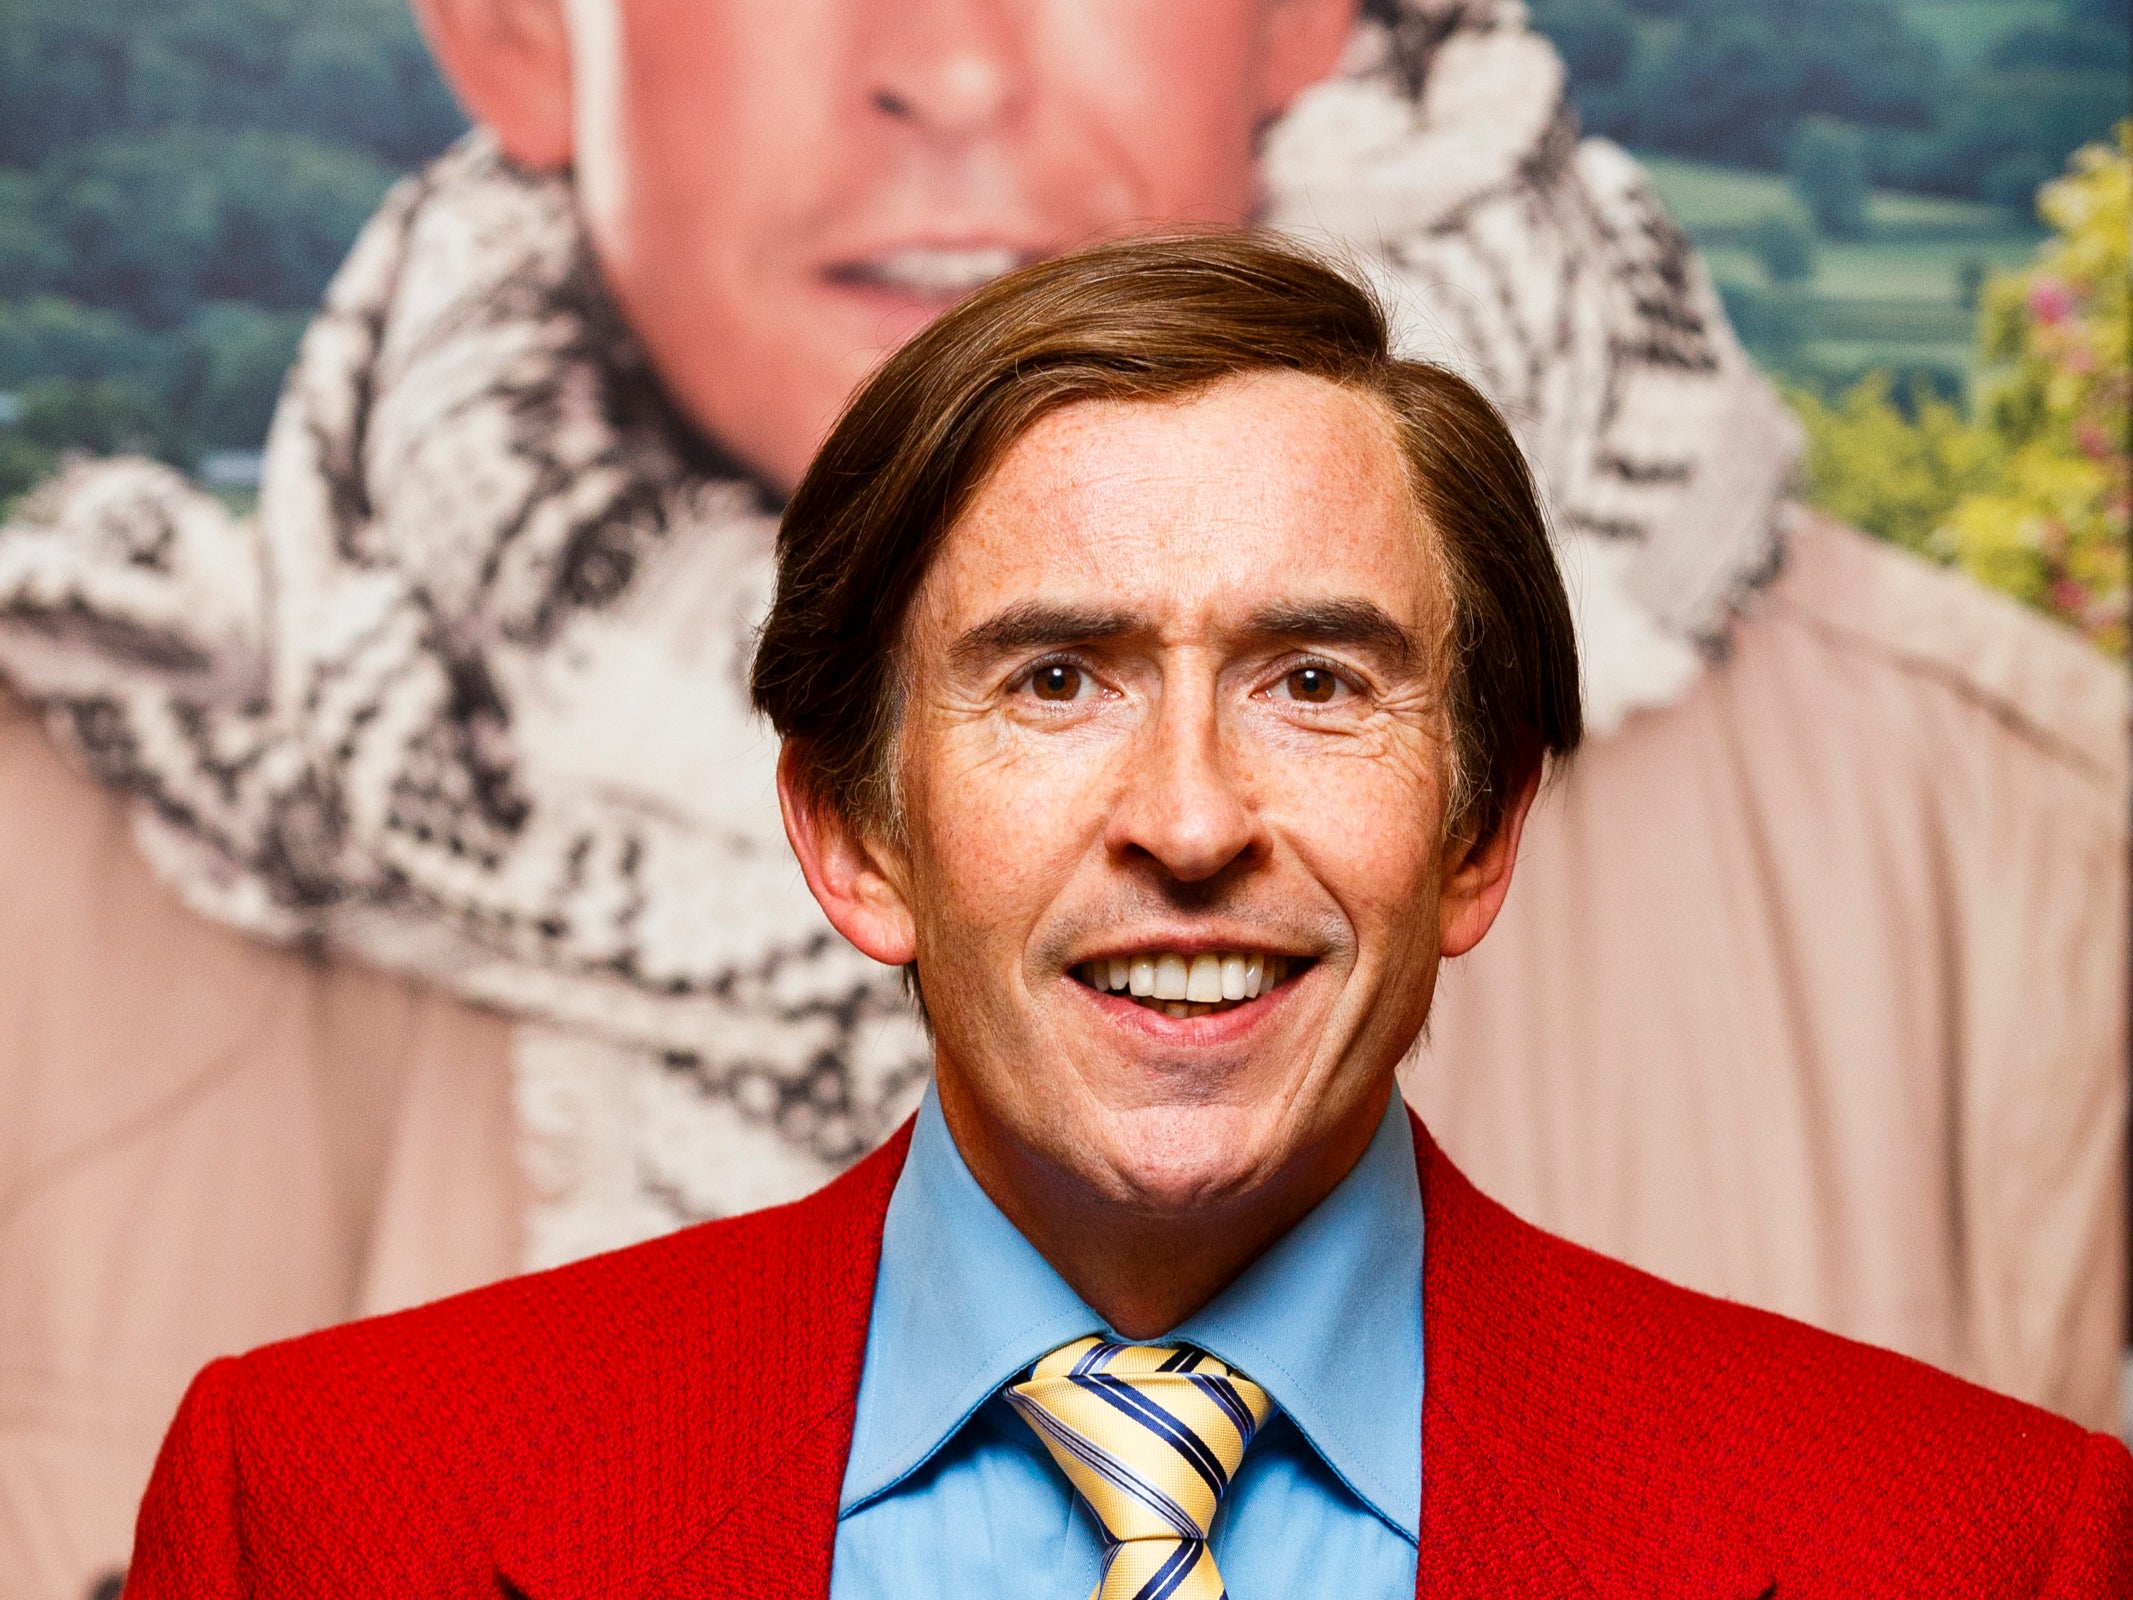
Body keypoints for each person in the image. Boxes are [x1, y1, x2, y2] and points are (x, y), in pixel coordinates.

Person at [2, 3, 2125, 1592]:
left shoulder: (1972, 1544)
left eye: (1314, 681)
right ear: (852, 834)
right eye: (1053, 679)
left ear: (1479, 829)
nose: (1187, 818)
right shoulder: (324, 1505)